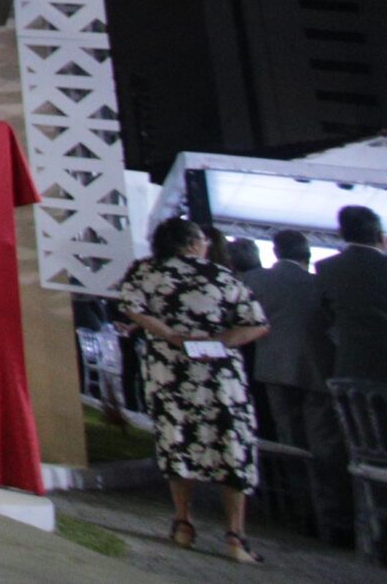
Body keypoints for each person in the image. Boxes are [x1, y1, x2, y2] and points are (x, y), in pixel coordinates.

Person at [119, 214, 270, 563]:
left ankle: (183, 522)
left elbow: (130, 307)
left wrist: (172, 336)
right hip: (219, 373)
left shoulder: (145, 271)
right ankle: (235, 535)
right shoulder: (221, 275)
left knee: (176, 439)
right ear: (192, 243)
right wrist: (218, 342)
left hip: (168, 370)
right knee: (231, 443)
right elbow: (257, 323)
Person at [245, 229, 352, 540]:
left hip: (274, 371)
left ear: (276, 252)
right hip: (318, 371)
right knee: (325, 447)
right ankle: (333, 518)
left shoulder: (256, 280)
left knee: (290, 443)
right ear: (307, 254)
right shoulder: (318, 282)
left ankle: (301, 512)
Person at [319, 205, 387, 381]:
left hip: (349, 364)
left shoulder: (326, 268)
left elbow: (325, 314)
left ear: (340, 232)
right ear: (379, 235)